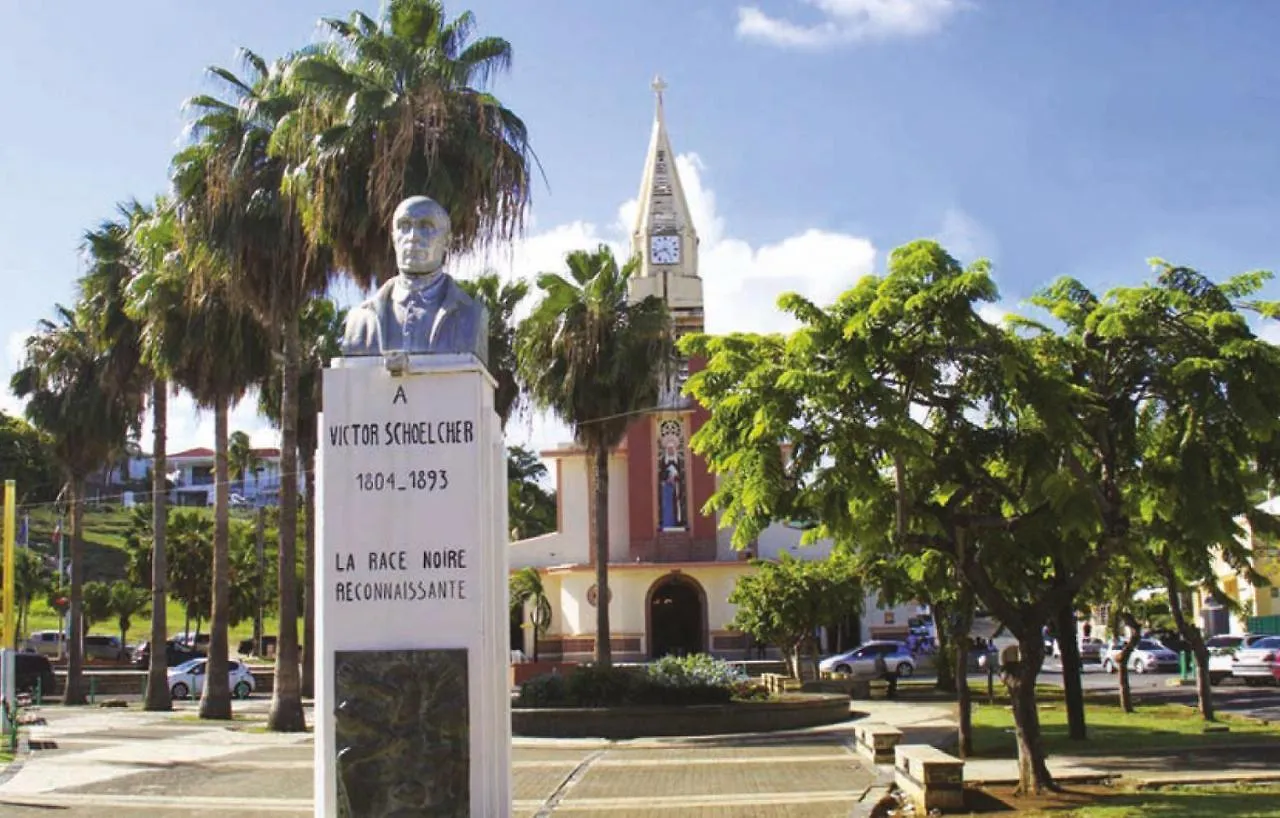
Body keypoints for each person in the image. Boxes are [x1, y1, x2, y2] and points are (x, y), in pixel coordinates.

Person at [341, 196, 488, 365]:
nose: (413, 237)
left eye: (426, 226)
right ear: (394, 238)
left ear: (447, 241)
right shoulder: (362, 318)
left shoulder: (471, 315)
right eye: (404, 226)